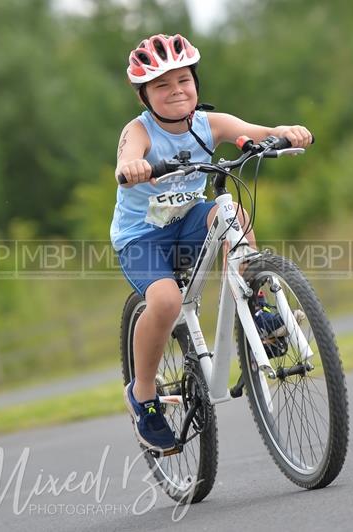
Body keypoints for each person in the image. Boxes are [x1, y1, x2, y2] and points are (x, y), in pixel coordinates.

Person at [112, 34, 313, 453]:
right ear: (144, 96)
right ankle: (143, 394)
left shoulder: (209, 124)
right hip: (142, 238)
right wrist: (134, 166)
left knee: (231, 212)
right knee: (166, 303)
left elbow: (254, 132)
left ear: (196, 82)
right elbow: (129, 154)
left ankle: (257, 305)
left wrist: (285, 133)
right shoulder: (139, 131)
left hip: (187, 224)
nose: (176, 91)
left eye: (183, 80)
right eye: (162, 86)